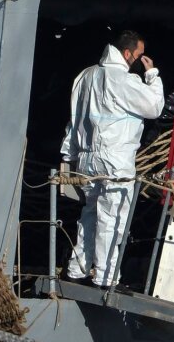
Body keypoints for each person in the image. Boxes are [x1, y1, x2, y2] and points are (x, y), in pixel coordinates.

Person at [61, 30, 164, 288]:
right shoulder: (123, 80)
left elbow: (74, 119)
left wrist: (69, 155)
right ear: (128, 53)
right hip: (115, 159)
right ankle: (106, 277)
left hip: (86, 160)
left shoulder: (85, 77)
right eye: (139, 55)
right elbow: (154, 107)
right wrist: (152, 75)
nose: (140, 60)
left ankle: (77, 268)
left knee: (90, 215)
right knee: (112, 219)